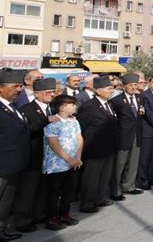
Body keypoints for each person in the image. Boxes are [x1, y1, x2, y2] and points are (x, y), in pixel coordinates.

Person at [13, 77, 57, 232]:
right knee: (27, 190)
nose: (52, 95)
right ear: (37, 94)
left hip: (48, 157)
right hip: (33, 155)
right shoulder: (26, 109)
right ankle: (22, 220)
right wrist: (46, 120)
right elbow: (28, 129)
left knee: (42, 188)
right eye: (48, 92)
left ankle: (39, 214)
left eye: (53, 92)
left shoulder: (52, 108)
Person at [76, 75, 118, 213]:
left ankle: (100, 198)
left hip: (108, 148)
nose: (112, 91)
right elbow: (82, 128)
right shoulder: (89, 106)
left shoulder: (109, 104)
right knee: (91, 178)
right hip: (94, 149)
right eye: (109, 88)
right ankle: (87, 202)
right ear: (99, 91)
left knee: (104, 176)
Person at [41, 94, 82, 231]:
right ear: (62, 107)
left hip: (73, 162)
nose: (74, 107)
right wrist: (69, 159)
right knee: (54, 192)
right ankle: (52, 218)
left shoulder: (74, 121)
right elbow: (53, 144)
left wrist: (77, 157)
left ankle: (64, 214)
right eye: (71, 105)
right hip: (56, 164)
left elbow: (79, 139)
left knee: (69, 190)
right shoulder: (53, 122)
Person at [0, 69, 29, 242]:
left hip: (13, 163)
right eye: (15, 86)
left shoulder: (12, 105)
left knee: (5, 200)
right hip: (2, 163)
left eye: (20, 86)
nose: (19, 89)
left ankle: (1, 230)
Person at [109, 74, 145, 200]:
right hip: (122, 136)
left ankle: (129, 186)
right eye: (130, 85)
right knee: (119, 165)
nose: (133, 87)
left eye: (135, 85)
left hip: (136, 135)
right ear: (124, 87)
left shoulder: (140, 98)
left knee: (133, 163)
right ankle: (115, 191)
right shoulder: (116, 100)